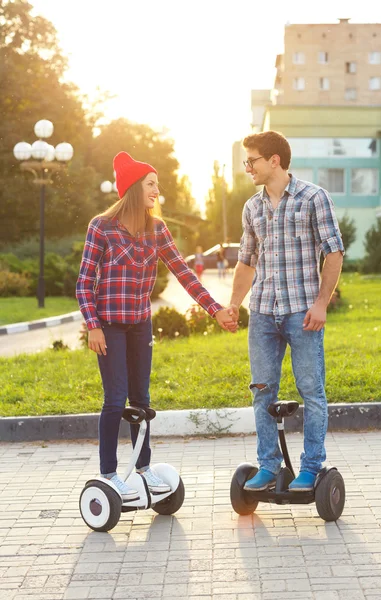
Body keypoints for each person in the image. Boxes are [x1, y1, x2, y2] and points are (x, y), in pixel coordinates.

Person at [76, 152, 238, 500]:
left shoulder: (158, 229)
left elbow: (184, 273)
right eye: (151, 184)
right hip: (109, 325)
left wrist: (216, 310)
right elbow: (84, 282)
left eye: (157, 185)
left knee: (142, 399)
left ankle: (143, 469)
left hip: (139, 325)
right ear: (134, 188)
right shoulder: (101, 227)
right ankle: (108, 474)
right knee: (115, 399)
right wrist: (93, 326)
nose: (157, 191)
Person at [227, 130, 344, 492]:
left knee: (312, 390)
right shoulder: (252, 207)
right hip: (263, 312)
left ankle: (310, 468)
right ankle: (268, 466)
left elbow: (334, 252)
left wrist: (322, 303)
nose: (247, 167)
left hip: (302, 312)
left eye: (252, 160)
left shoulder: (313, 198)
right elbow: (246, 262)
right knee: (262, 390)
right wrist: (233, 304)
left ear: (274, 160)